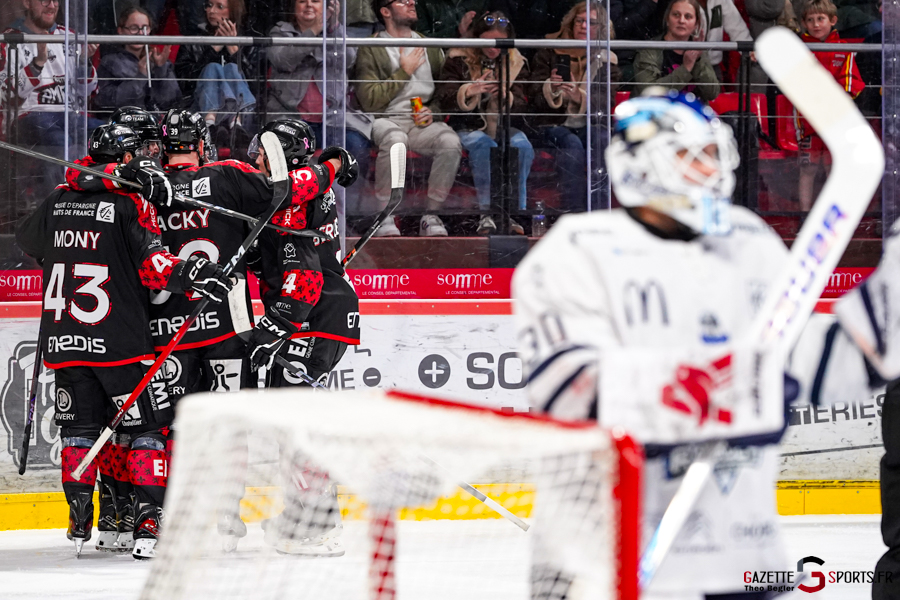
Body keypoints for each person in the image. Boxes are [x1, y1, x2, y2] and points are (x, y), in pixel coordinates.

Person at [513, 89, 897, 597]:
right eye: (691, 156)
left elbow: (812, 366)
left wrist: (887, 309)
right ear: (641, 166)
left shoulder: (749, 240)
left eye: (715, 154)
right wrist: (746, 384)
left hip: (740, 550)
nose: (711, 170)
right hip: (607, 552)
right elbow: (577, 391)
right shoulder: (574, 252)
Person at [15, 124, 233, 559]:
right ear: (125, 158)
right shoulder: (128, 202)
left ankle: (81, 518)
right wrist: (195, 274)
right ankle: (148, 524)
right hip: (118, 344)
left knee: (78, 429)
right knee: (148, 429)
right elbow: (154, 267)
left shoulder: (60, 197)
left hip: (65, 342)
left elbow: (28, 239)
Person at [241, 119, 359, 556]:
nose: (255, 159)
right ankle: (302, 515)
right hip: (325, 314)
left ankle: (319, 525)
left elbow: (304, 278)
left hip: (312, 315)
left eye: (263, 153)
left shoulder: (292, 197)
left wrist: (275, 326)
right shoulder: (301, 188)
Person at [354, 0, 463, 237]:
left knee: (450, 142)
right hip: (385, 118)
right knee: (395, 140)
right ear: (385, 11)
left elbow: (442, 95)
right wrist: (404, 71)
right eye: (403, 1)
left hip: (421, 123)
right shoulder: (370, 46)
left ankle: (431, 214)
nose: (412, 3)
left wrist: (432, 111)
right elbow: (369, 101)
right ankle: (386, 215)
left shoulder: (430, 46)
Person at [267, 0, 372, 208]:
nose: (308, 6)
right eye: (302, 1)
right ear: (293, 7)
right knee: (289, 156)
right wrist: (315, 30)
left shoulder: (335, 31)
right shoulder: (280, 31)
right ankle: (295, 208)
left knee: (357, 147)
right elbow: (283, 60)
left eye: (315, 1)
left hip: (332, 119)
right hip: (292, 118)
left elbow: (349, 59)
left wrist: (334, 26)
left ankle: (346, 212)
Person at [436, 11, 532, 234]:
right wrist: (470, 90)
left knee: (522, 146)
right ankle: (486, 214)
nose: (493, 47)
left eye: (500, 42)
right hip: (467, 126)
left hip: (503, 126)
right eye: (487, 41)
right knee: (483, 145)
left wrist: (505, 96)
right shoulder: (458, 57)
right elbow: (445, 99)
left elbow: (525, 107)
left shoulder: (517, 62)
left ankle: (512, 214)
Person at [0, 0, 101, 205]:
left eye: (56, 0)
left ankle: (97, 204)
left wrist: (84, 62)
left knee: (105, 133)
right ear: (27, 3)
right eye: (45, 0)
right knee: (58, 140)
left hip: (71, 116)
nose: (52, 5)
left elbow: (90, 91)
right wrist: (37, 64)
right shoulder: (9, 39)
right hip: (29, 116)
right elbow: (5, 97)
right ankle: (61, 206)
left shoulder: (70, 36)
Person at [528, 1, 618, 213]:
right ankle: (576, 212)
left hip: (588, 123)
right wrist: (550, 87)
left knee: (603, 139)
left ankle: (599, 211)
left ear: (602, 28)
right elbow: (533, 96)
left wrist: (579, 96)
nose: (584, 26)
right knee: (572, 144)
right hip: (552, 123)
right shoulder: (549, 51)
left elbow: (607, 101)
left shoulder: (607, 59)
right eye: (580, 21)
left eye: (591, 22)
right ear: (571, 22)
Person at [795, 0, 864, 211]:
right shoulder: (798, 50)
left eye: (821, 19)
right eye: (810, 20)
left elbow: (851, 85)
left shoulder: (845, 49)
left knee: (832, 168)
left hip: (836, 119)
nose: (816, 25)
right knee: (808, 169)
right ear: (804, 24)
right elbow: (795, 84)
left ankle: (831, 218)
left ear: (832, 20)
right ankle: (805, 217)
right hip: (808, 119)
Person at [174, 0, 258, 134]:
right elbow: (184, 83)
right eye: (209, 5)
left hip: (244, 114)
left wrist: (235, 52)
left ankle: (235, 123)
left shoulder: (248, 41)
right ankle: (210, 123)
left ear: (232, 11)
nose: (211, 11)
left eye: (219, 6)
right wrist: (212, 50)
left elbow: (256, 85)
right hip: (198, 111)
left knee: (232, 68)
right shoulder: (192, 39)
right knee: (213, 67)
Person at [95, 6, 180, 114]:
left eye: (145, 28)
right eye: (134, 28)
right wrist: (140, 76)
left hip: (156, 124)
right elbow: (107, 101)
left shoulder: (159, 60)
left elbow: (171, 101)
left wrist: (161, 69)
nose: (140, 33)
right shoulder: (110, 62)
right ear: (121, 31)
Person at [633, 0, 721, 101]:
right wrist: (686, 68)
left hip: (691, 114)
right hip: (657, 114)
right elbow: (649, 92)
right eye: (676, 15)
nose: (682, 21)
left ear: (696, 24)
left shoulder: (698, 49)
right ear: (667, 19)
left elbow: (712, 94)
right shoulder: (650, 49)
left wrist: (697, 60)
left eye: (688, 17)